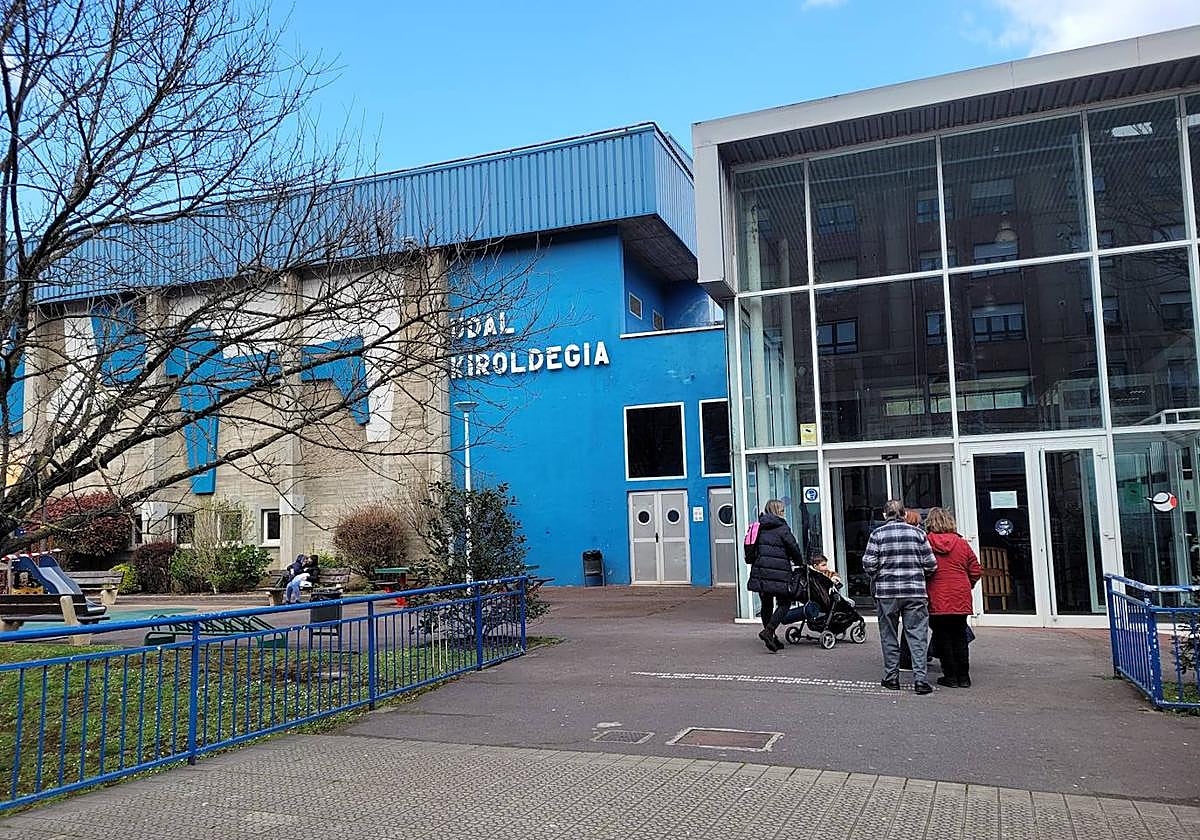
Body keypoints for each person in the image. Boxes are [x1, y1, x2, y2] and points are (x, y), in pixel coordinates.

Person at [862, 499, 938, 694]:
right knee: (917, 635)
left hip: (886, 592)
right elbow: (931, 564)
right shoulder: (919, 534)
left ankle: (891, 678)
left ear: (884, 515)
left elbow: (869, 563)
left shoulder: (877, 534)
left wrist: (879, 574)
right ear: (904, 514)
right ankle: (920, 680)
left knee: (888, 635)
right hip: (914, 591)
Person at [924, 507, 982, 688]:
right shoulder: (962, 543)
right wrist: (967, 584)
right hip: (960, 594)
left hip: (936, 594)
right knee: (960, 636)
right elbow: (976, 570)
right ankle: (964, 677)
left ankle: (950, 676)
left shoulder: (926, 542)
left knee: (942, 636)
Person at [747, 499, 805, 653]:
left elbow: (750, 550)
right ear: (778, 511)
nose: (784, 513)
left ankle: (771, 637)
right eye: (782, 510)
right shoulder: (782, 528)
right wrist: (800, 562)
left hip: (761, 571)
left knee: (766, 605)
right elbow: (793, 547)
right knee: (785, 603)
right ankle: (769, 631)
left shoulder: (758, 527)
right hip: (780, 572)